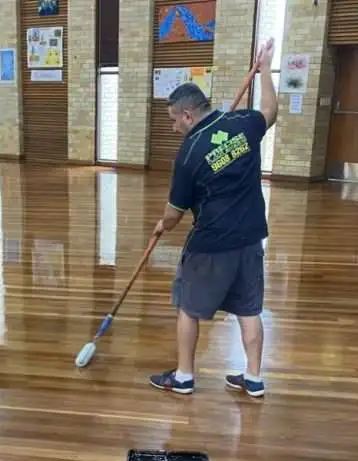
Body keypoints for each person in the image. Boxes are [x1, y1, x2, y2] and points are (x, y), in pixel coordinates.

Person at [149, 39, 277, 397]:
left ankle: (185, 376)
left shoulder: (189, 154)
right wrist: (265, 70)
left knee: (188, 307)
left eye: (175, 121)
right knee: (250, 309)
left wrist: (163, 225)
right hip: (251, 238)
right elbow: (270, 109)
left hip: (212, 245)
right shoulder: (243, 122)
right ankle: (253, 377)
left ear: (188, 115)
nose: (174, 128)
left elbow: (175, 211)